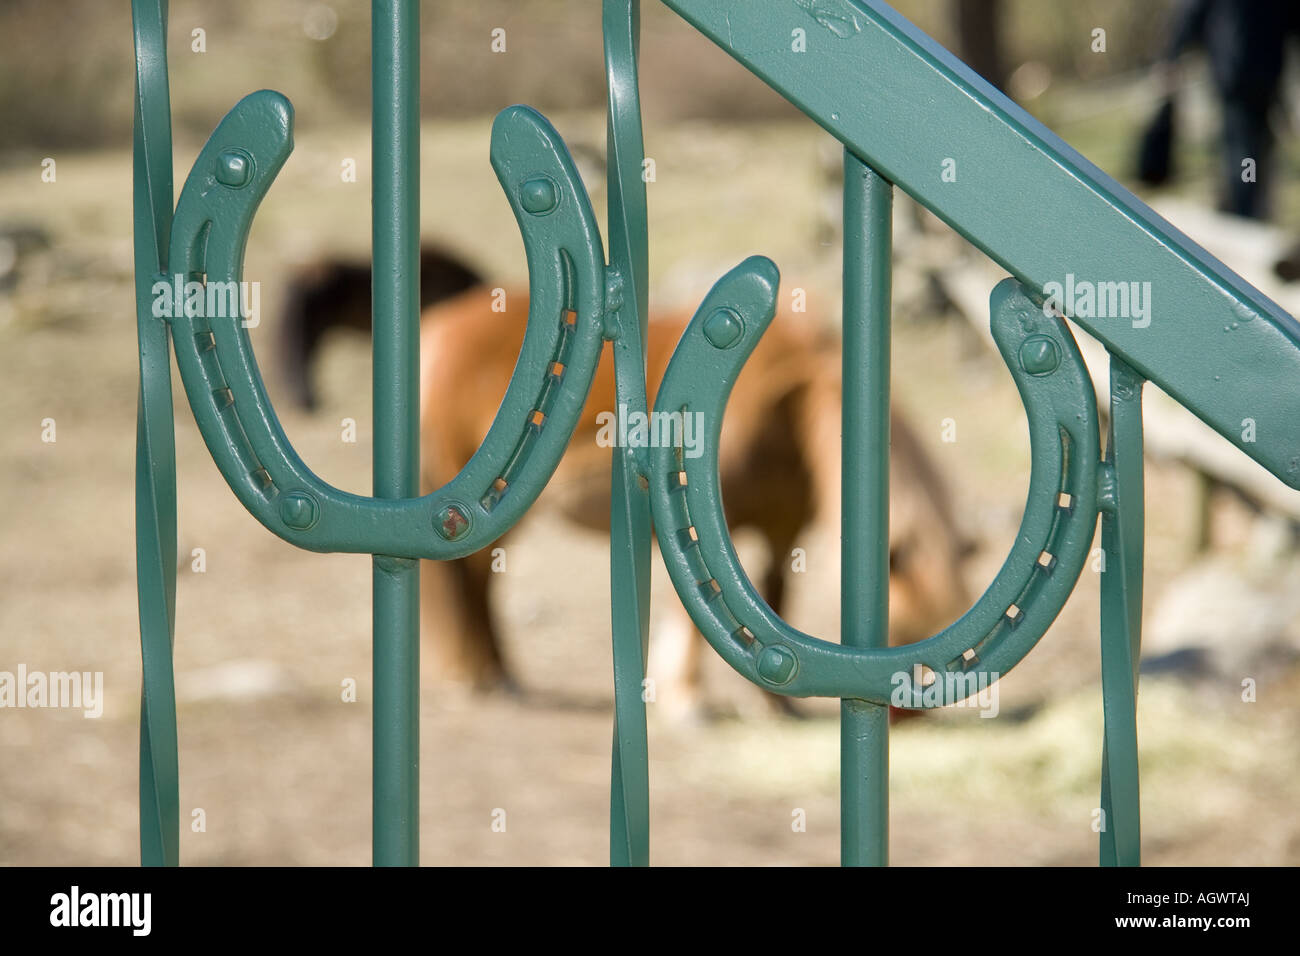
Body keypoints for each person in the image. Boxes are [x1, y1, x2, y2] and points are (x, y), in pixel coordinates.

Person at [1156, 0, 1298, 221]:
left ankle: (1244, 209)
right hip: (1250, 73)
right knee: (1244, 147)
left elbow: (1193, 11)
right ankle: (1243, 208)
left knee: (1243, 148)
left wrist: (1173, 54)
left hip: (1241, 73)